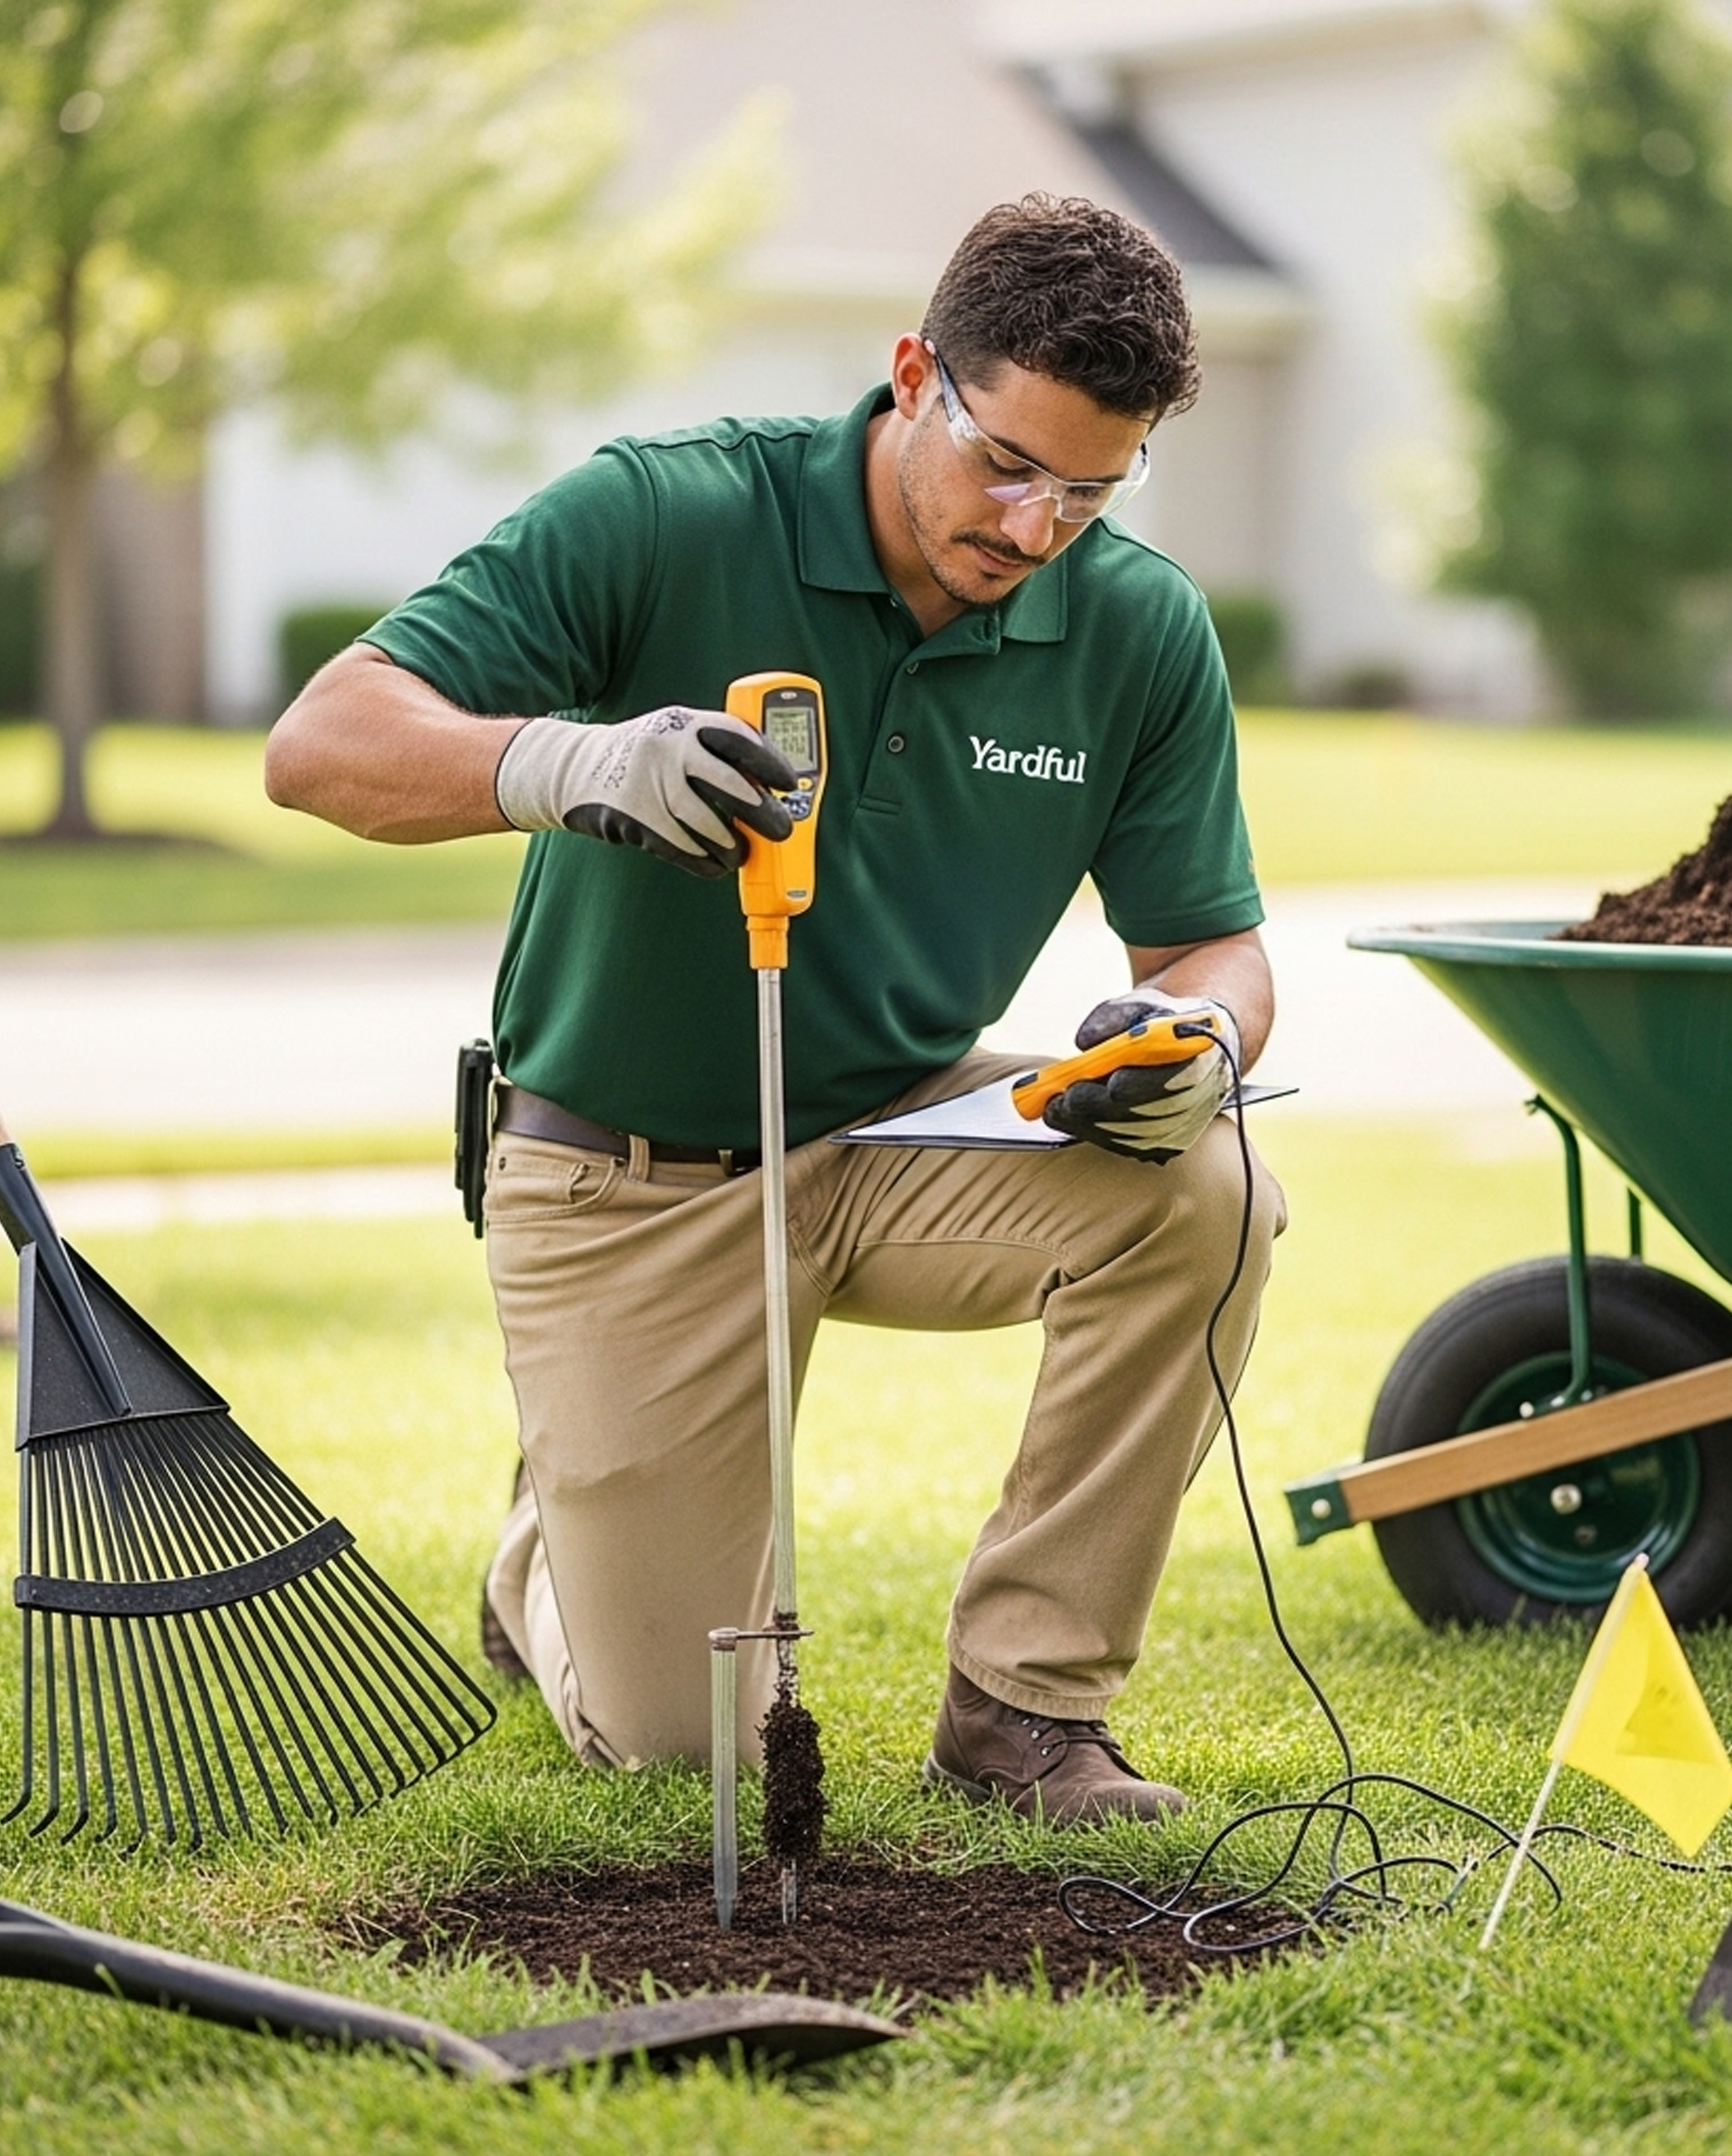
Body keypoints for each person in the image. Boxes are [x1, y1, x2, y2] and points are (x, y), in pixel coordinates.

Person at [266, 194, 1284, 1824]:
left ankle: (1025, 1713)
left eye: (1093, 490)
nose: (1036, 528)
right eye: (1006, 465)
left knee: (1207, 1191)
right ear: (914, 375)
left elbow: (1212, 947)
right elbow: (321, 746)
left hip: (902, 1135)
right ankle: (546, 1563)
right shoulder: (663, 513)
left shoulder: (1139, 626)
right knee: (687, 1754)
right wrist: (573, 762)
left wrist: (1205, 1039)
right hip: (627, 1176)